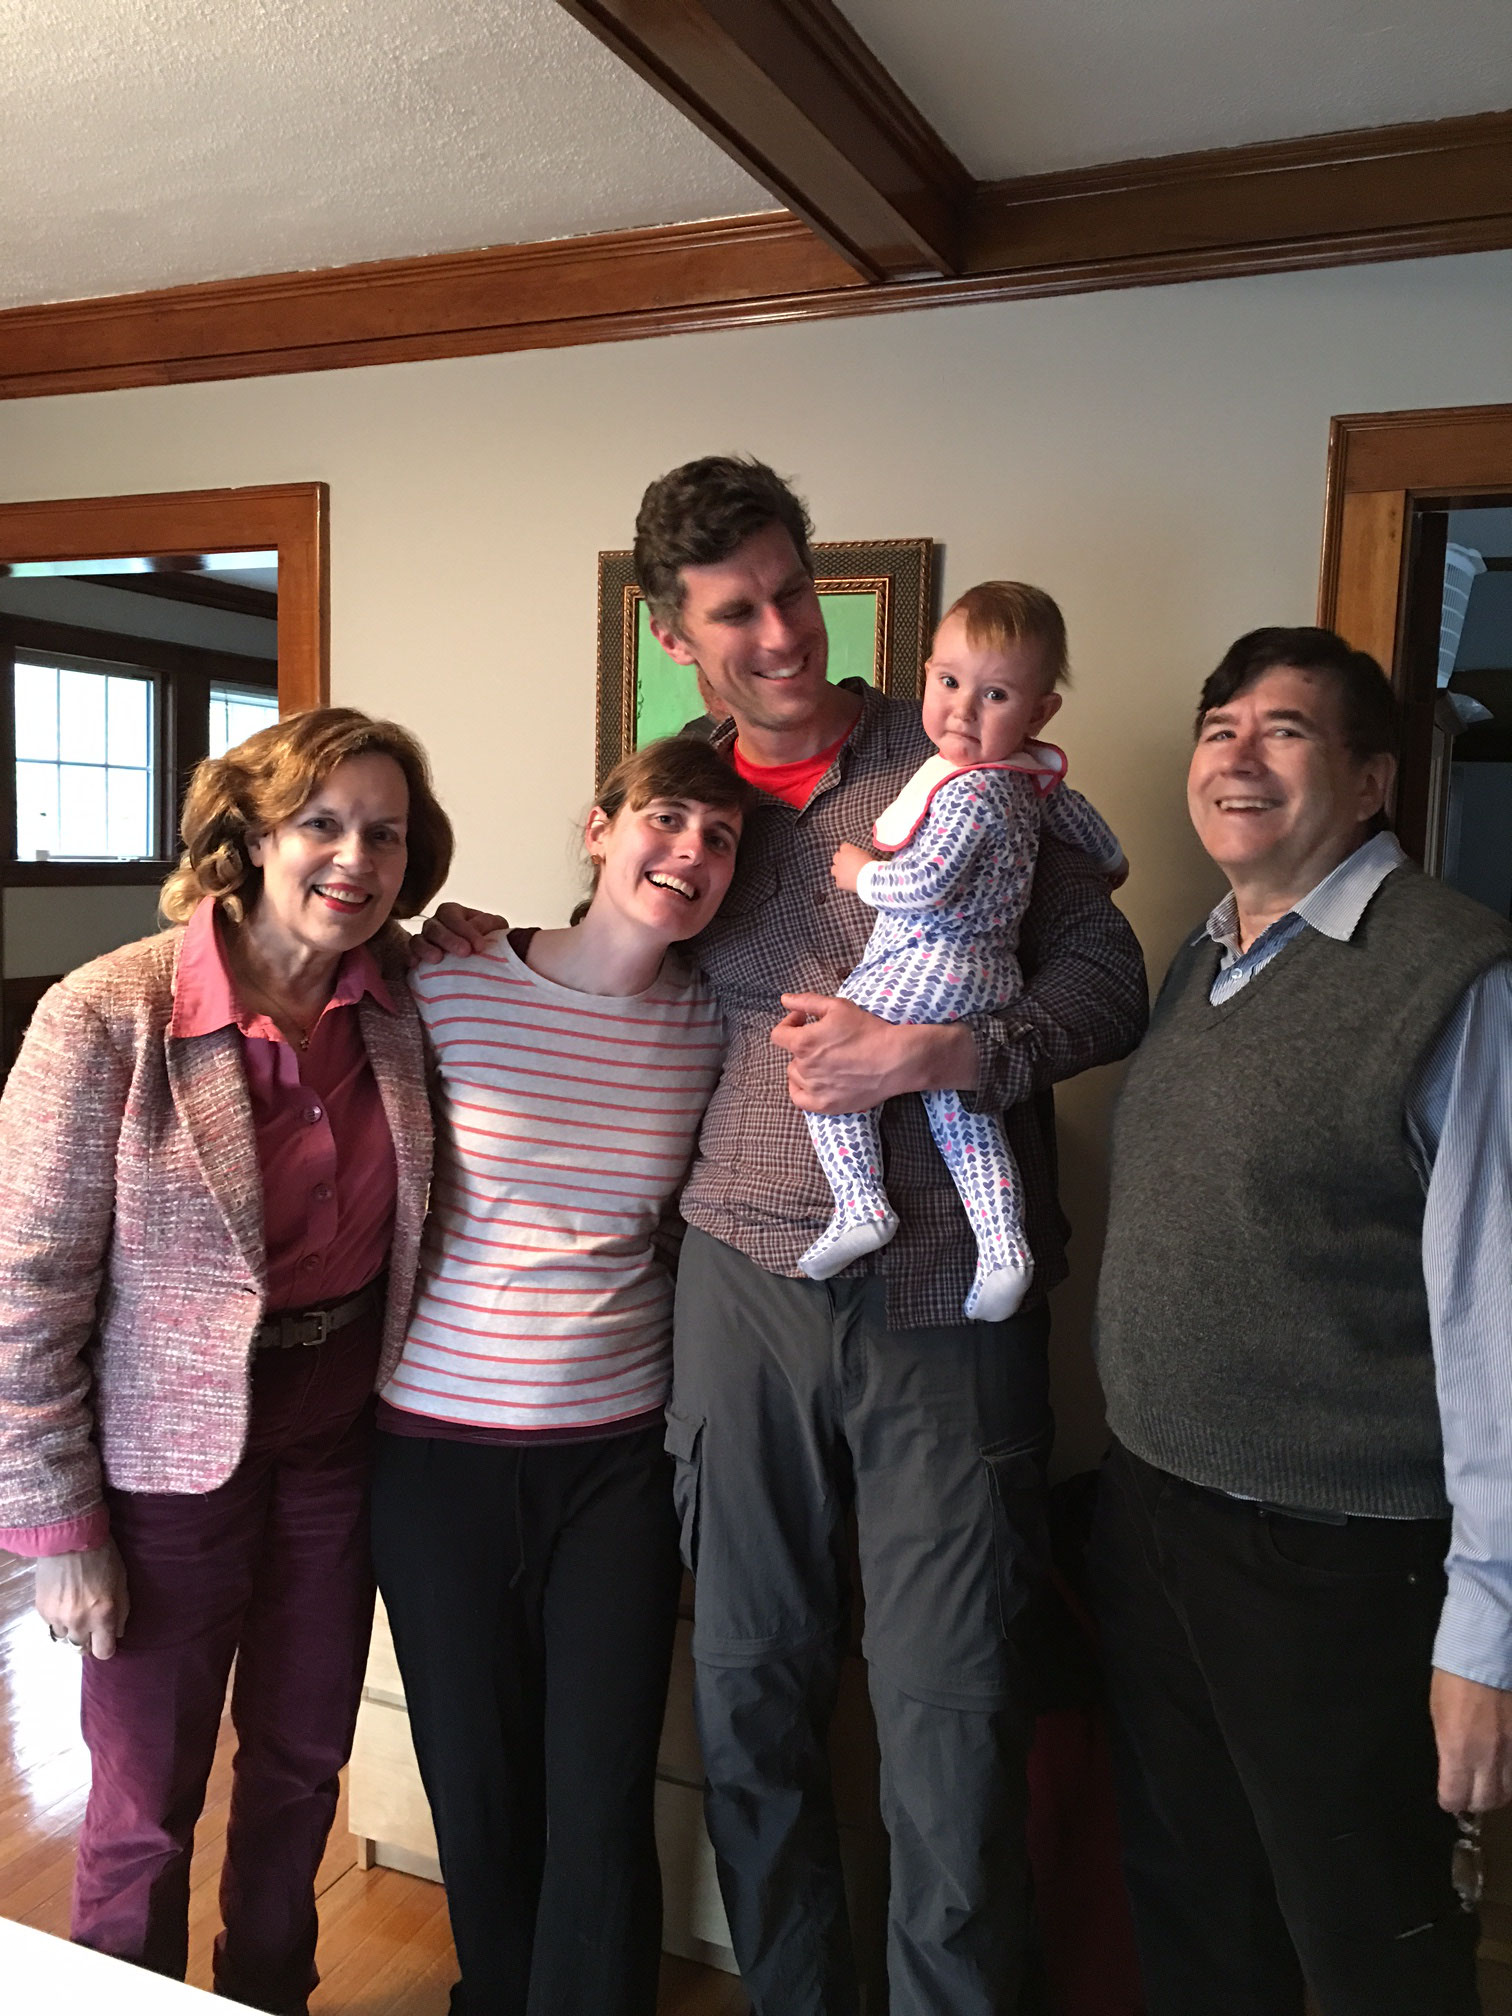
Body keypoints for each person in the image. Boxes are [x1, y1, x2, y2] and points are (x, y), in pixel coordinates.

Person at [428, 455, 1147, 2014]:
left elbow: (1114, 978)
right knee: (750, 1694)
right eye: (735, 611)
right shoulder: (685, 803)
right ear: (676, 635)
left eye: (791, 589)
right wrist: (459, 935)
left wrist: (950, 1054)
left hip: (948, 1302)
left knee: (950, 1710)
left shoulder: (961, 748)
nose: (780, 634)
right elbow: (602, 968)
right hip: (738, 1295)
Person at [0, 707, 452, 2013]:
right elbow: (24, 1294)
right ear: (249, 838)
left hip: (336, 1430)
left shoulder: (400, 998)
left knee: (306, 1762)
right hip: (157, 1462)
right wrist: (56, 1527)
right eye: (321, 824)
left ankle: (271, 1994)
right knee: (145, 1797)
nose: (353, 859)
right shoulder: (108, 1016)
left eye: (385, 832)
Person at [1089, 626, 1512, 2016]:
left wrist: (1486, 1633)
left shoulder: (1453, 977)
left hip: (1337, 1566)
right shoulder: (1203, 955)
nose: (1236, 754)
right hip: (1157, 1519)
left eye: (1284, 730)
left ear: (1373, 780)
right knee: (1197, 1903)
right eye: (1220, 727)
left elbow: (1492, 1319)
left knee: (1364, 1933)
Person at [372, 737, 747, 2016]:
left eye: (721, 836)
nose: (689, 851)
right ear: (601, 830)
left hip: (615, 1463)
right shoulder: (453, 979)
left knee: (598, 1785)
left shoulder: (713, 1024)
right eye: (666, 818)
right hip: (433, 1453)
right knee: (476, 1780)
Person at [800, 581, 1125, 1320]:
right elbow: (1096, 833)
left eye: (997, 696)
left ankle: (859, 1202)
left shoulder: (973, 793)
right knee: (964, 1115)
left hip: (931, 963)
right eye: (948, 682)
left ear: (1040, 711)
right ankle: (1004, 1250)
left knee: (826, 1059)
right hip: (989, 976)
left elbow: (927, 882)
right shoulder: (1030, 777)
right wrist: (1112, 866)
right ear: (927, 677)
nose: (962, 710)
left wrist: (862, 874)